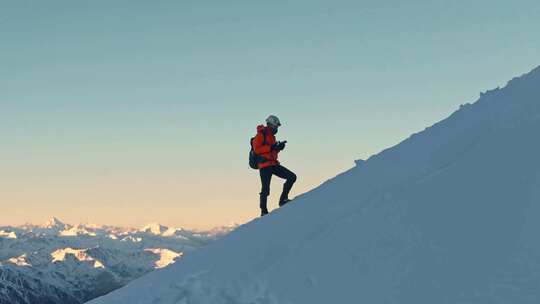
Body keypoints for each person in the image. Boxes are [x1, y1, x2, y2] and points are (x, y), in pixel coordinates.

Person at [252, 115, 297, 216]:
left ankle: (283, 200)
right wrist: (271, 147)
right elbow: (257, 149)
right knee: (265, 189)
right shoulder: (260, 135)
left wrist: (278, 148)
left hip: (273, 164)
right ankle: (263, 211)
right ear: (271, 125)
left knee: (292, 177)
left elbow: (271, 151)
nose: (277, 128)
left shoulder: (272, 136)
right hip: (264, 165)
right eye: (276, 126)